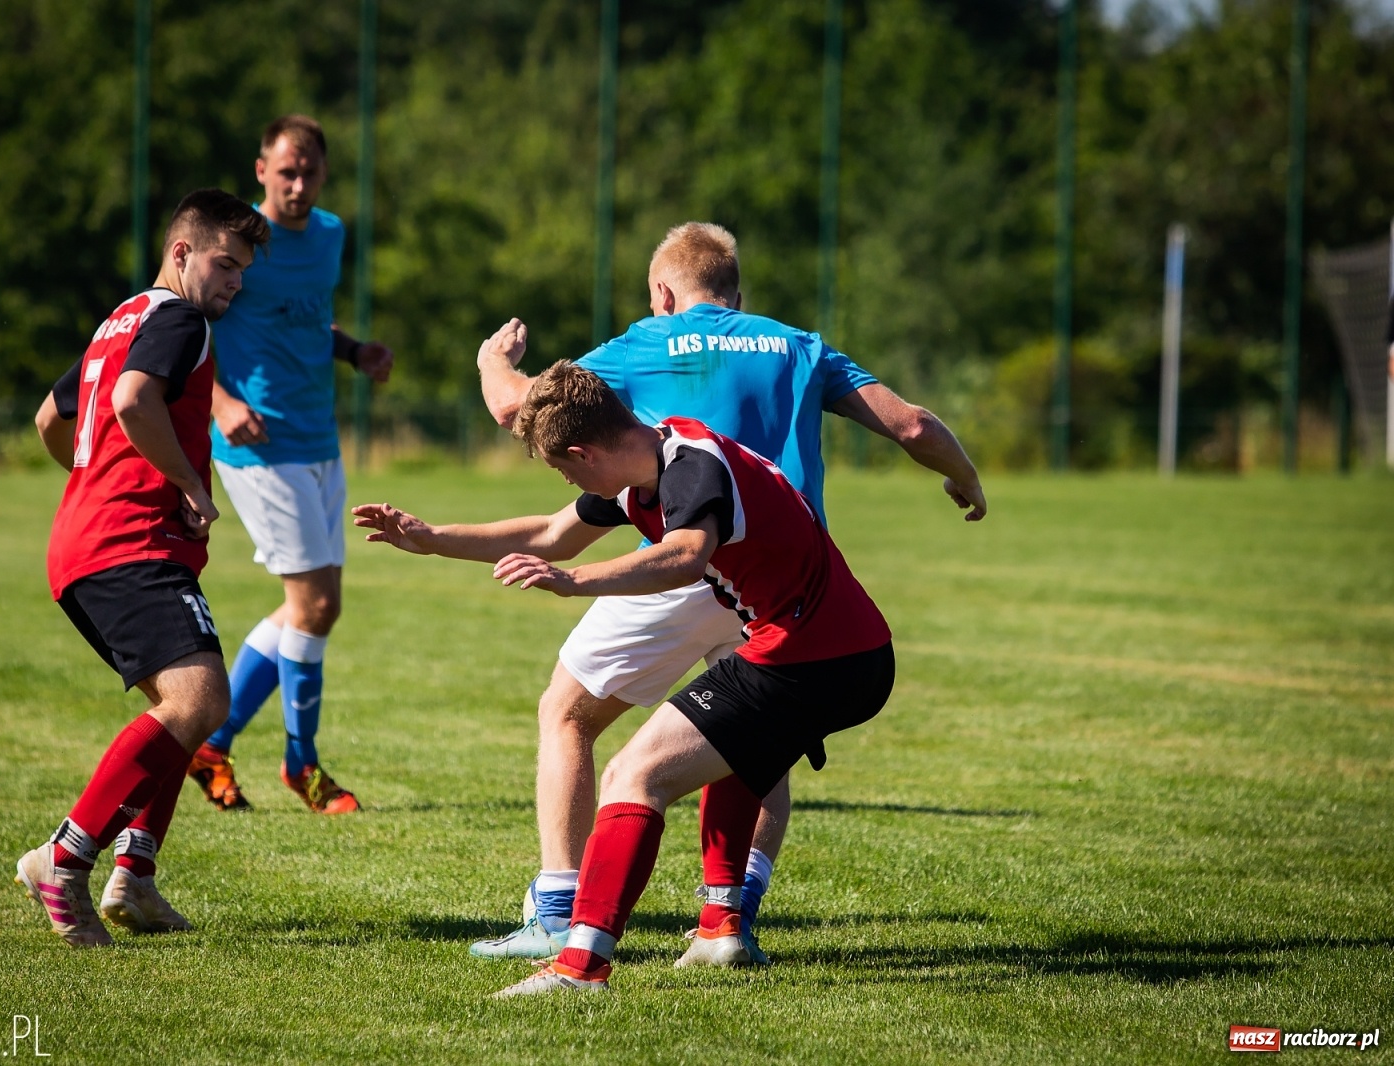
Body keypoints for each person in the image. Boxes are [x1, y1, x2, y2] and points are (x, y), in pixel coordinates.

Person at [468, 222, 986, 962]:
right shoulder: (797, 345)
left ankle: (559, 914)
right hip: (791, 588)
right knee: (753, 741)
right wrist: (963, 476)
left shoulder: (644, 341)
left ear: (662, 292)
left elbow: (523, 410)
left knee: (571, 714)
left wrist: (492, 360)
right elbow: (910, 423)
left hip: (680, 563)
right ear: (736, 293)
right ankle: (728, 917)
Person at [352, 361, 925, 994]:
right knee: (734, 754)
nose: (565, 479)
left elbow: (685, 555)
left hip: (814, 656)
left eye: (562, 467)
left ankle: (580, 967)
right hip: (831, 651)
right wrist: (432, 538)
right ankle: (720, 930)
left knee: (635, 774)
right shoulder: (649, 464)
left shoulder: (693, 466)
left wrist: (575, 584)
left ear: (584, 452)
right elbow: (550, 534)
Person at [20, 188, 271, 947]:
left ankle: (136, 878)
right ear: (182, 252)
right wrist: (190, 483)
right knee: (197, 699)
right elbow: (133, 400)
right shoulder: (181, 319)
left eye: (242, 273)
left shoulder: (119, 319)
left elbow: (50, 418)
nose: (232, 284)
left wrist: (92, 478)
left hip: (90, 540)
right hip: (128, 543)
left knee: (190, 700)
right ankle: (63, 862)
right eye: (224, 265)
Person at [184, 114, 394, 816]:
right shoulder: (242, 245)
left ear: (323, 175)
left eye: (309, 172)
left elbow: (309, 319)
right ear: (261, 172)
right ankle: (302, 766)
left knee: (310, 609)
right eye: (286, 171)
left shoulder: (330, 235)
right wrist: (217, 404)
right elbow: (188, 319)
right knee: (316, 606)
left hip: (318, 437)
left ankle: (211, 745)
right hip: (257, 442)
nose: (298, 184)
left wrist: (354, 351)